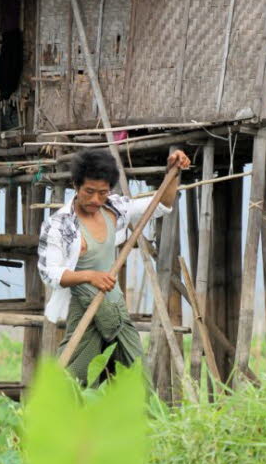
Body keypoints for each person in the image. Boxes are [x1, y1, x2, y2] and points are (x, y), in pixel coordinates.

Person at [37, 148, 191, 384]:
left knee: (136, 376)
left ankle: (143, 418)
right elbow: (49, 272)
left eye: (102, 193)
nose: (96, 200)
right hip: (85, 304)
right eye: (89, 192)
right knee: (74, 378)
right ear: (76, 186)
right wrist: (90, 276)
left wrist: (173, 173)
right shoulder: (60, 224)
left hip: (113, 303)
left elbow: (160, 204)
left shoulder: (115, 208)